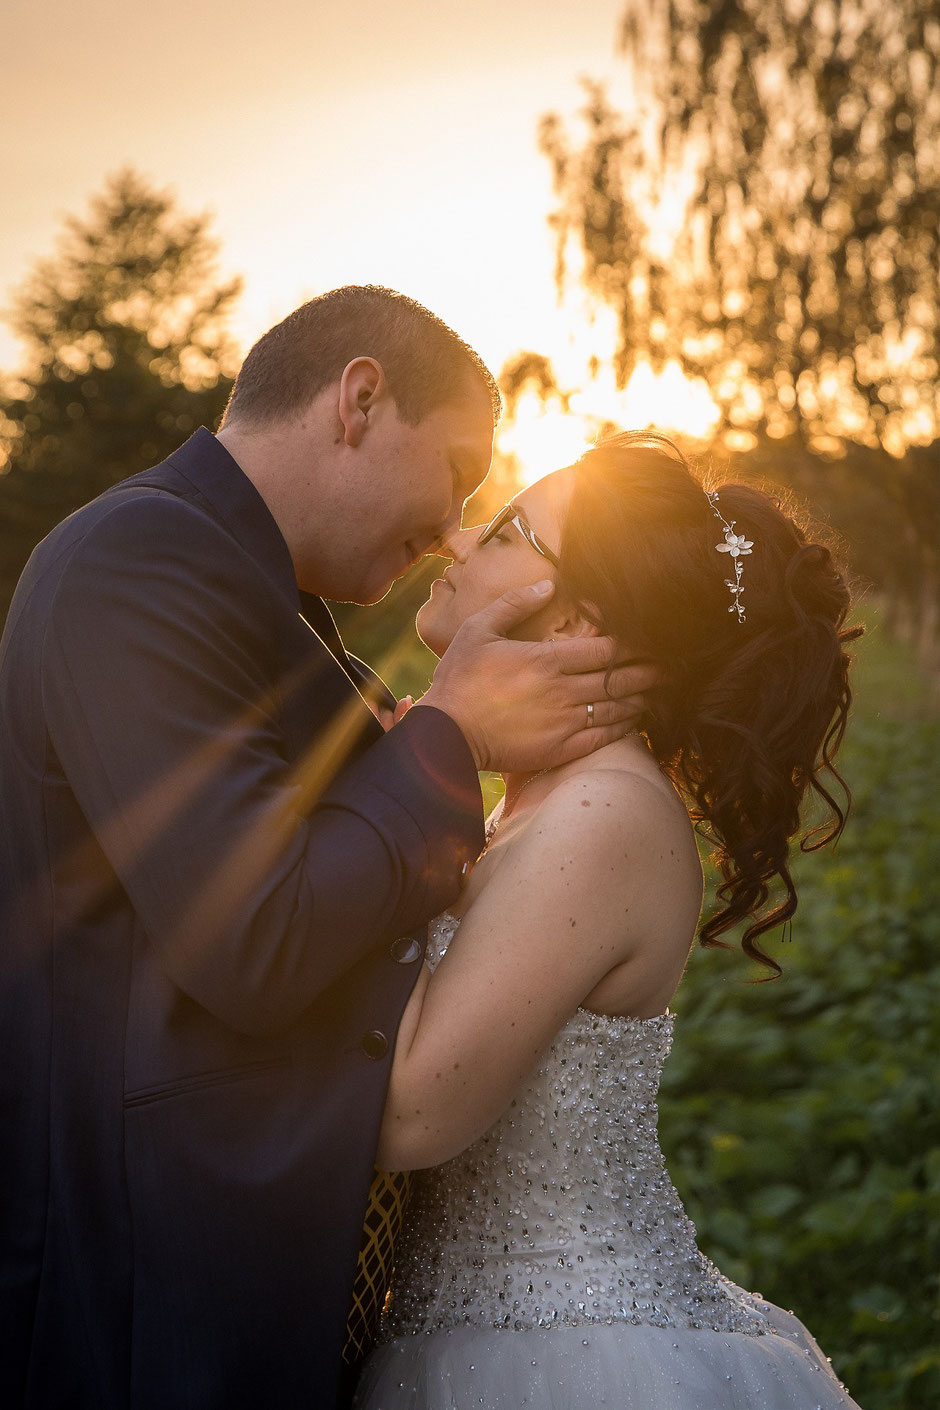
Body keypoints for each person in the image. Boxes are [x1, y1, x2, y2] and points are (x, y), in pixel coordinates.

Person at [0, 286, 653, 1410]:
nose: (453, 529)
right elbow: (258, 937)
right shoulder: (138, 561)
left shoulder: (258, 595)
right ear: (358, 400)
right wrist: (450, 736)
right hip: (131, 1302)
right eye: (455, 473)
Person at [353, 431, 865, 1409]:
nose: (456, 543)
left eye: (504, 531)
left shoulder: (604, 817)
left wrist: (409, 778)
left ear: (578, 620)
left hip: (571, 1359)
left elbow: (414, 1111)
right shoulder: (535, 804)